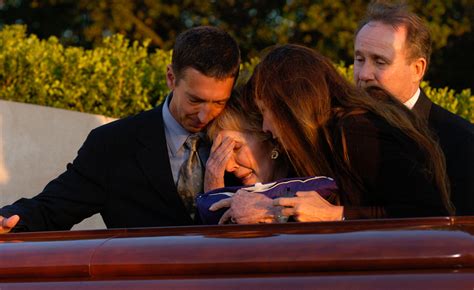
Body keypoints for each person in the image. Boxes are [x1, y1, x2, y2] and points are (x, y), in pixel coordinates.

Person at [0, 26, 240, 233]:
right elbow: (52, 208)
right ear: (170, 77)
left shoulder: (250, 138)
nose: (204, 115)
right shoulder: (113, 143)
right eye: (195, 100)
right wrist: (8, 220)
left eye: (219, 102)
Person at [229, 44, 453, 223]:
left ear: (293, 107)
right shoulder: (321, 140)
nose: (265, 126)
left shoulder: (357, 132)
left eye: (267, 112)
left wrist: (336, 215)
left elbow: (429, 212)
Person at [353, 1, 474, 215]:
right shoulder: (341, 129)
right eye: (359, 59)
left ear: (418, 69)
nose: (363, 74)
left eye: (379, 62)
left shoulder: (461, 142)